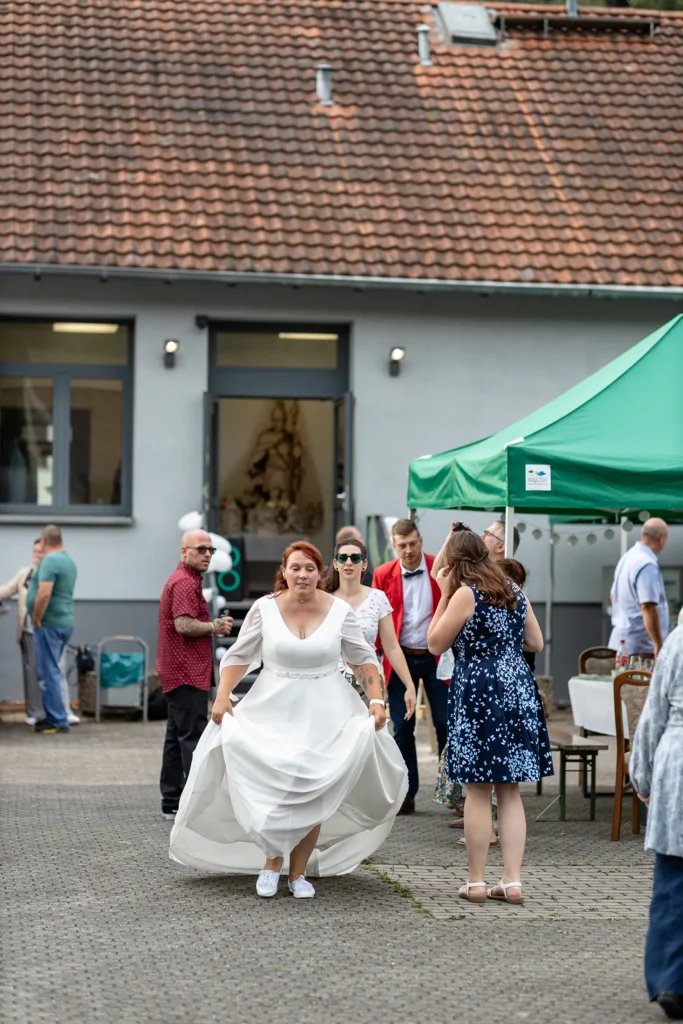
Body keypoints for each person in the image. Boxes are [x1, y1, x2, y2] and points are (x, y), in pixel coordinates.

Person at [169, 541, 408, 899]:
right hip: (274, 705)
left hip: (329, 710)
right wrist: (222, 697)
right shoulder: (264, 609)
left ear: (320, 573)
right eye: (295, 567)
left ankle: (298, 874)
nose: (303, 574)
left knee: (315, 787)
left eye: (310, 568)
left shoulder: (339, 610)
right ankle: (271, 863)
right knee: (280, 789)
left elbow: (364, 660)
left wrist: (376, 699)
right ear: (284, 571)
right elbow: (239, 655)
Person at [427, 529, 551, 905]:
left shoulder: (466, 594)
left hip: (479, 688)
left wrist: (446, 594)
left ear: (454, 563)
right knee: (510, 791)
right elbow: (536, 643)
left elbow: (434, 642)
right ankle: (512, 882)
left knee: (478, 789)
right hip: (516, 687)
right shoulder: (513, 590)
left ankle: (477, 882)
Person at [157, 530, 234, 821]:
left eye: (211, 550)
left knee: (176, 736)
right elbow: (184, 625)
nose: (207, 554)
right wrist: (214, 626)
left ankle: (172, 800)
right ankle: (194, 802)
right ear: (184, 551)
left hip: (180, 670)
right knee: (192, 737)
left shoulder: (185, 580)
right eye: (201, 549)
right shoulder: (185, 582)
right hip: (185, 671)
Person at [372, 518, 447, 814]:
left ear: (422, 541)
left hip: (435, 657)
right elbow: (376, 618)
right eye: (402, 545)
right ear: (394, 546)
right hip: (399, 659)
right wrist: (375, 661)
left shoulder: (437, 568)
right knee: (403, 728)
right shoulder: (382, 574)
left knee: (445, 723)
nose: (408, 550)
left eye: (413, 544)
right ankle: (407, 791)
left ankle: (450, 789)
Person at [631, 626, 683, 1020]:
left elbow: (654, 714)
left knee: (673, 880)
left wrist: (642, 776)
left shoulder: (681, 641)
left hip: (677, 765)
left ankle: (672, 981)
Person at [327, 536, 417, 719]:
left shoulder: (378, 598)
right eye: (343, 558)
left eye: (355, 558)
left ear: (364, 564)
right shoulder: (323, 599)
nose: (349, 562)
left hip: (368, 683)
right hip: (329, 682)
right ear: (336, 564)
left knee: (369, 739)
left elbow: (391, 647)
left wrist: (409, 685)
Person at [26, 525, 77, 735]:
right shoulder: (68, 560)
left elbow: (44, 594)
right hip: (64, 621)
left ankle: (57, 719)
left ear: (44, 542)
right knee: (52, 670)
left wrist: (37, 618)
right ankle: (55, 716)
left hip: (49, 624)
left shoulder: (50, 561)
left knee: (48, 673)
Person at [609, 518, 670, 660]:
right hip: (640, 648)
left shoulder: (627, 558)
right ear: (661, 539)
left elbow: (613, 596)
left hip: (620, 639)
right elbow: (647, 606)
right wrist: (658, 644)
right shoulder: (646, 564)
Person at [0, 539, 45, 726]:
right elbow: (7, 590)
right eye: (34, 552)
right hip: (26, 629)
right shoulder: (25, 573)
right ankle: (33, 712)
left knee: (42, 671)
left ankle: (45, 712)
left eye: (40, 552)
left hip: (43, 629)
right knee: (30, 670)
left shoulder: (50, 574)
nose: (36, 555)